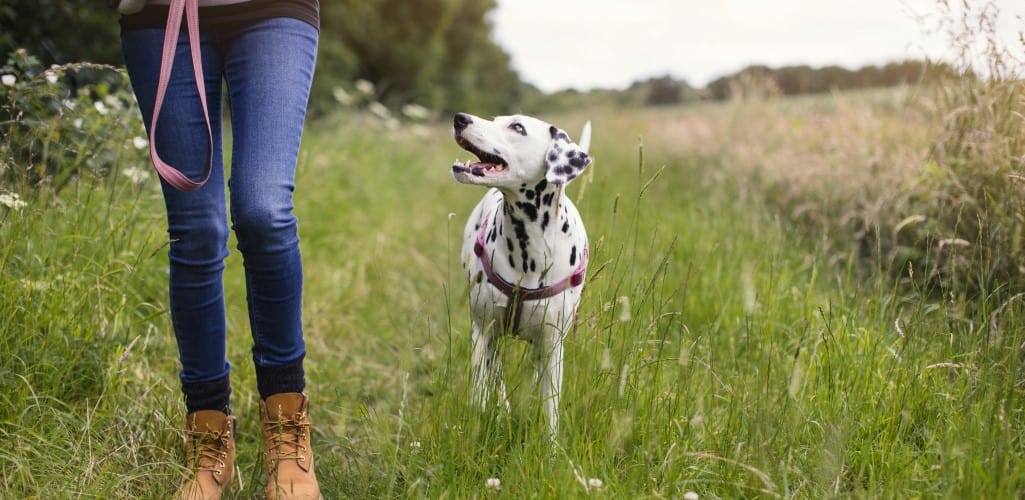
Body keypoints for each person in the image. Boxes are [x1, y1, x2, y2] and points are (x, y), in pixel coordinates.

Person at [115, 1, 321, 498]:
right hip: (160, 14)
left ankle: (286, 428)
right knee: (196, 228)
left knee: (264, 210)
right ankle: (207, 435)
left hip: (275, 12)